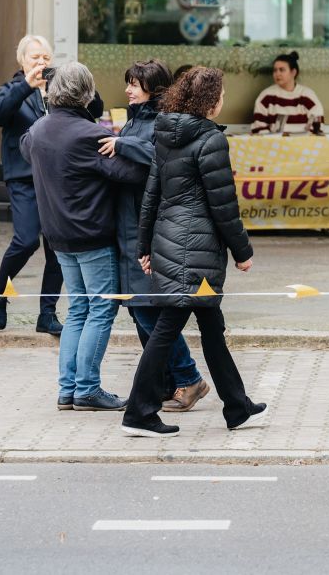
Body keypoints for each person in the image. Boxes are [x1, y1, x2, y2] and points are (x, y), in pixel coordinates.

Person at [123, 66, 266, 438]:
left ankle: (237, 405)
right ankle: (139, 413)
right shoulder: (210, 140)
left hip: (171, 244)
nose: (223, 100)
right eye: (221, 95)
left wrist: (144, 247)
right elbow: (223, 205)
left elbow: (151, 196)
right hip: (194, 250)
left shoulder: (165, 133)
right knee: (168, 328)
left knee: (212, 327)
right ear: (210, 102)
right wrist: (242, 251)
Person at [19, 62, 145, 411]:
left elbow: (24, 147)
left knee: (77, 309)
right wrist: (123, 143)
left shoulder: (39, 130)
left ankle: (68, 389)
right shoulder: (90, 135)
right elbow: (132, 173)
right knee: (101, 309)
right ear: (87, 94)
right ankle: (87, 388)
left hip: (58, 236)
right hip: (91, 235)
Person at [96, 59, 209, 412]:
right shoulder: (135, 119)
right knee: (137, 309)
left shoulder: (160, 122)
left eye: (135, 84)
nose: (128, 89)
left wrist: (122, 146)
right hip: (127, 227)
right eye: (128, 82)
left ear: (154, 88)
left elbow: (161, 159)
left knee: (147, 310)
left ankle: (189, 378)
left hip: (145, 230)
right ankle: (165, 382)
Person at [0, 35, 103, 335]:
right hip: (23, 177)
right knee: (26, 240)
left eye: (45, 58)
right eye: (34, 57)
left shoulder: (58, 89)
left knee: (56, 245)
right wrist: (27, 83)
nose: (41, 63)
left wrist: (79, 82)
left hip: (55, 178)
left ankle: (47, 313)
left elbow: (96, 109)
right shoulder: (13, 89)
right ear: (22, 60)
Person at [250, 52, 325, 135]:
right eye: (275, 70)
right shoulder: (266, 96)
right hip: (274, 145)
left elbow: (318, 126)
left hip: (303, 145)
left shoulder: (307, 95)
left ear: (293, 72)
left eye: (282, 70)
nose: (277, 74)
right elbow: (258, 128)